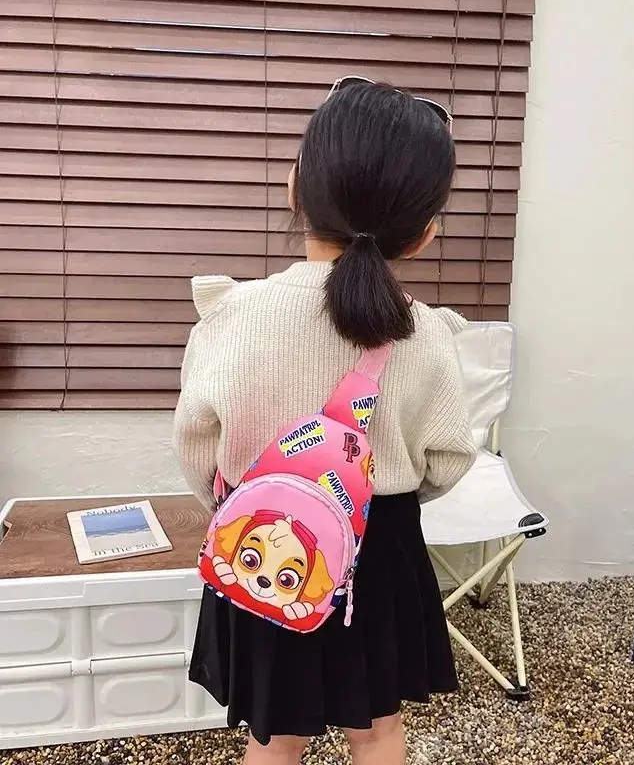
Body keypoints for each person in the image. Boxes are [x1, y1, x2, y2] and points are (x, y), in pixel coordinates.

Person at [174, 78, 477, 765]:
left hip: (261, 542)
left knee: (275, 733)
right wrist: (373, 500)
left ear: (294, 188)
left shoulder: (232, 316)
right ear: (425, 234)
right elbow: (449, 459)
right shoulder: (427, 333)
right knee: (378, 729)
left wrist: (249, 499)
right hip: (381, 546)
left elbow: (197, 447)